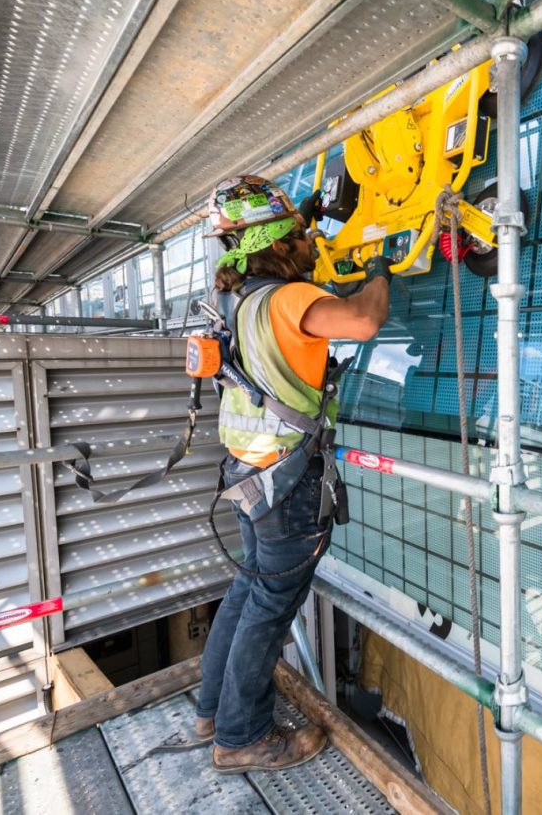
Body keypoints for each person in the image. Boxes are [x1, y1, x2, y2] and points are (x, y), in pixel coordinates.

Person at [192, 174, 392, 772]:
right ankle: (240, 736)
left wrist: (305, 216)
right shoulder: (287, 300)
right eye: (301, 236)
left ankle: (212, 711)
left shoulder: (239, 298)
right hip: (285, 484)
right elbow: (361, 321)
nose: (311, 244)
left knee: (250, 590)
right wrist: (381, 272)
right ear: (281, 242)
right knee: (270, 606)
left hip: (248, 473)